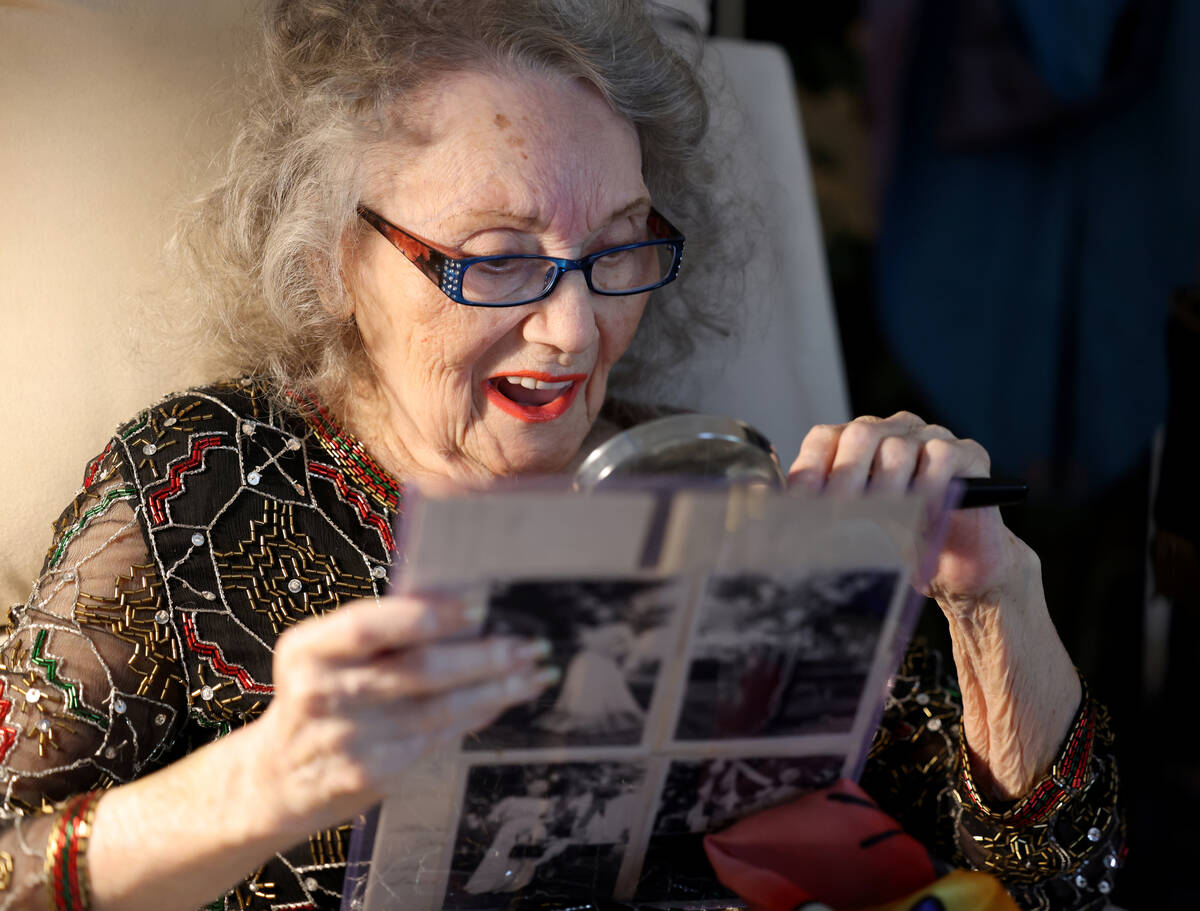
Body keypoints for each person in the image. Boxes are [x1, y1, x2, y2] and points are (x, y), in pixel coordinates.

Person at [0, 1, 1120, 909]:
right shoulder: (200, 483)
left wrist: (991, 598)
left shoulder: (714, 486)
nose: (576, 330)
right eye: (497, 260)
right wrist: (265, 776)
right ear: (340, 256)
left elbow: (1060, 886)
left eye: (617, 247)